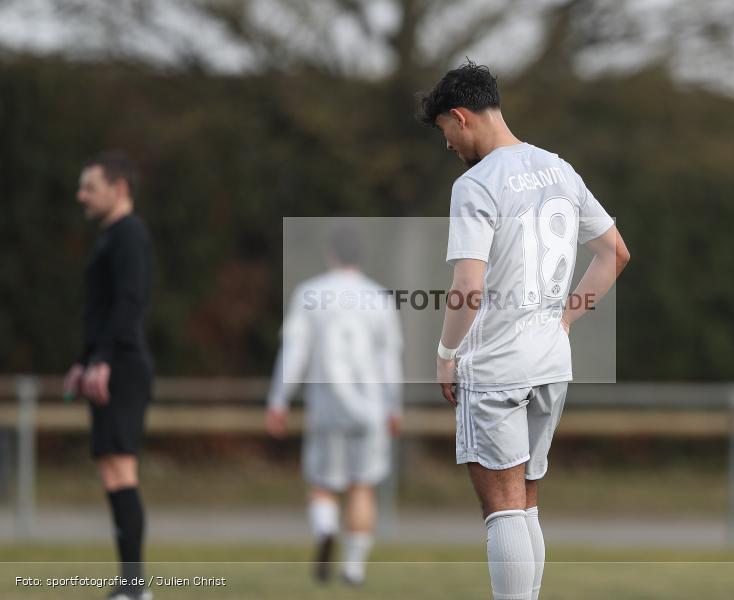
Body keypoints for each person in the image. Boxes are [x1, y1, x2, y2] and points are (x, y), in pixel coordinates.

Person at [417, 61, 630, 600]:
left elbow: (468, 285)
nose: (447, 145)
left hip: (496, 366)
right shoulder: (559, 169)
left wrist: (446, 354)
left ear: (460, 118)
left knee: (502, 506)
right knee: (526, 500)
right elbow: (614, 253)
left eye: (444, 130)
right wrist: (565, 318)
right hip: (551, 360)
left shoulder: (475, 184)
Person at [266, 224, 403, 587]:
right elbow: (390, 358)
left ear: (331, 253)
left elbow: (294, 352)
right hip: (370, 406)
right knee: (363, 485)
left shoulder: (310, 293)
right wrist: (394, 406)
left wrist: (278, 399)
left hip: (326, 405)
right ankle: (354, 568)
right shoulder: (379, 298)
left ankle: (326, 529)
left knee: (323, 485)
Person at [62, 151, 154, 600]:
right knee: (112, 474)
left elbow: (129, 302)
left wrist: (103, 359)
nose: (81, 195)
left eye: (90, 187)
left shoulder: (129, 235)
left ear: (119, 190)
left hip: (123, 366)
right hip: (105, 362)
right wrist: (85, 359)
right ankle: (128, 583)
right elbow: (99, 310)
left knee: (122, 469)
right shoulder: (110, 237)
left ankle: (135, 586)